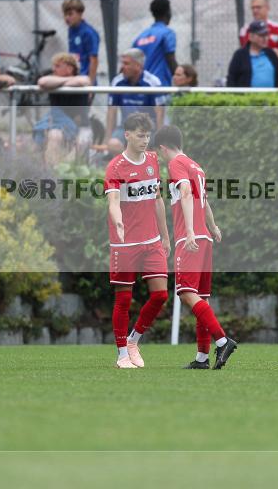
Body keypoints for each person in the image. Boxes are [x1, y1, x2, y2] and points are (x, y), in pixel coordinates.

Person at [151, 124, 238, 370]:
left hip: (190, 239)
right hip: (205, 239)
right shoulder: (195, 165)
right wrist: (213, 227)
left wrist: (189, 232)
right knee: (201, 299)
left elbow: (187, 194)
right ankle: (202, 359)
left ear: (162, 147)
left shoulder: (176, 164)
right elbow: (204, 201)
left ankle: (222, 341)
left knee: (186, 292)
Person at [105, 113, 171, 369]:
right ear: (127, 135)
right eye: (140, 135)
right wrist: (118, 221)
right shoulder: (115, 167)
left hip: (152, 240)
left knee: (160, 295)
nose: (145, 140)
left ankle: (134, 340)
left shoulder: (153, 160)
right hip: (124, 244)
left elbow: (157, 199)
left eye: (147, 135)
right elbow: (112, 201)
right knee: (123, 300)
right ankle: (122, 354)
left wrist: (165, 236)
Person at [35, 53, 91, 164]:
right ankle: (52, 173)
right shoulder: (52, 79)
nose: (53, 69)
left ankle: (68, 171)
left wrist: (60, 83)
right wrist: (65, 81)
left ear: (69, 68)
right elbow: (42, 82)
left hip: (81, 125)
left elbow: (83, 81)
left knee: (83, 141)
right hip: (57, 123)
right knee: (54, 136)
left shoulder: (82, 78)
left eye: (57, 66)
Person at [105, 48, 164, 141]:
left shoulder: (152, 82)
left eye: (126, 63)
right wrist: (108, 138)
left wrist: (160, 140)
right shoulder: (117, 82)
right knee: (113, 144)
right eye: (122, 63)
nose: (122, 67)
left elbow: (160, 113)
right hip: (125, 129)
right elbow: (111, 111)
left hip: (148, 130)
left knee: (142, 144)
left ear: (137, 65)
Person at [132, 0, 177, 89]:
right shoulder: (167, 33)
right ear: (168, 13)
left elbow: (133, 60)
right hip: (160, 86)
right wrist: (181, 77)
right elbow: (170, 60)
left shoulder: (141, 36)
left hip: (142, 86)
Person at [227, 20, 278, 89]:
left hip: (271, 98)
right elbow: (231, 79)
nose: (265, 38)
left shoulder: (271, 54)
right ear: (251, 37)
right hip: (247, 98)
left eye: (266, 35)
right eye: (261, 35)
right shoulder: (240, 55)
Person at [238, 0, 278, 66]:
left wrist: (262, 53)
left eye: (258, 7)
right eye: (253, 8)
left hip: (275, 73)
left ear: (267, 8)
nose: (255, 11)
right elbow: (249, 56)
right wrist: (273, 52)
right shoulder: (245, 30)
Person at [62, 0, 99, 82]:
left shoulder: (89, 33)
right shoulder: (71, 30)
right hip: (74, 78)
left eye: (70, 14)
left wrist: (90, 84)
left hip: (85, 80)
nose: (67, 18)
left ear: (80, 14)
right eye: (65, 14)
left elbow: (94, 60)